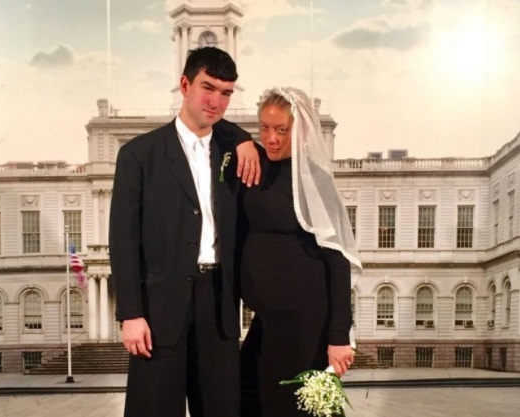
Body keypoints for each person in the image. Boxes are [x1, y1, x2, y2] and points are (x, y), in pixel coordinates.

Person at [109, 46, 261, 417]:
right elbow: (123, 241)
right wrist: (131, 314)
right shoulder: (139, 155)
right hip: (158, 309)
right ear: (184, 85)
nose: (216, 101)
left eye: (226, 93)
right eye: (208, 88)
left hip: (218, 306)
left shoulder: (236, 154)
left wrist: (241, 137)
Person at [238, 87, 362, 417]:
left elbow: (338, 261)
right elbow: (217, 130)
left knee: (291, 406)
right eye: (264, 128)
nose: (271, 138)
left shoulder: (315, 180)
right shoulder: (256, 165)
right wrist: (241, 140)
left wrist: (339, 337)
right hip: (268, 319)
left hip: (304, 321)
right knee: (251, 395)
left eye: (282, 129)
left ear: (301, 130)